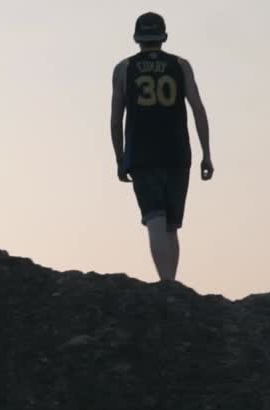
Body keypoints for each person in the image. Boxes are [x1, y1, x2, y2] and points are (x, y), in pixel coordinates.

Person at [111, 12, 213, 283]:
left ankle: (166, 282)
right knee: (171, 224)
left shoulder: (123, 69)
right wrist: (206, 154)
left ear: (136, 38)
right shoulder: (180, 65)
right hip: (177, 150)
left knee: (154, 217)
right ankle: (172, 282)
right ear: (163, 36)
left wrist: (119, 157)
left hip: (142, 152)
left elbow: (115, 118)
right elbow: (198, 110)